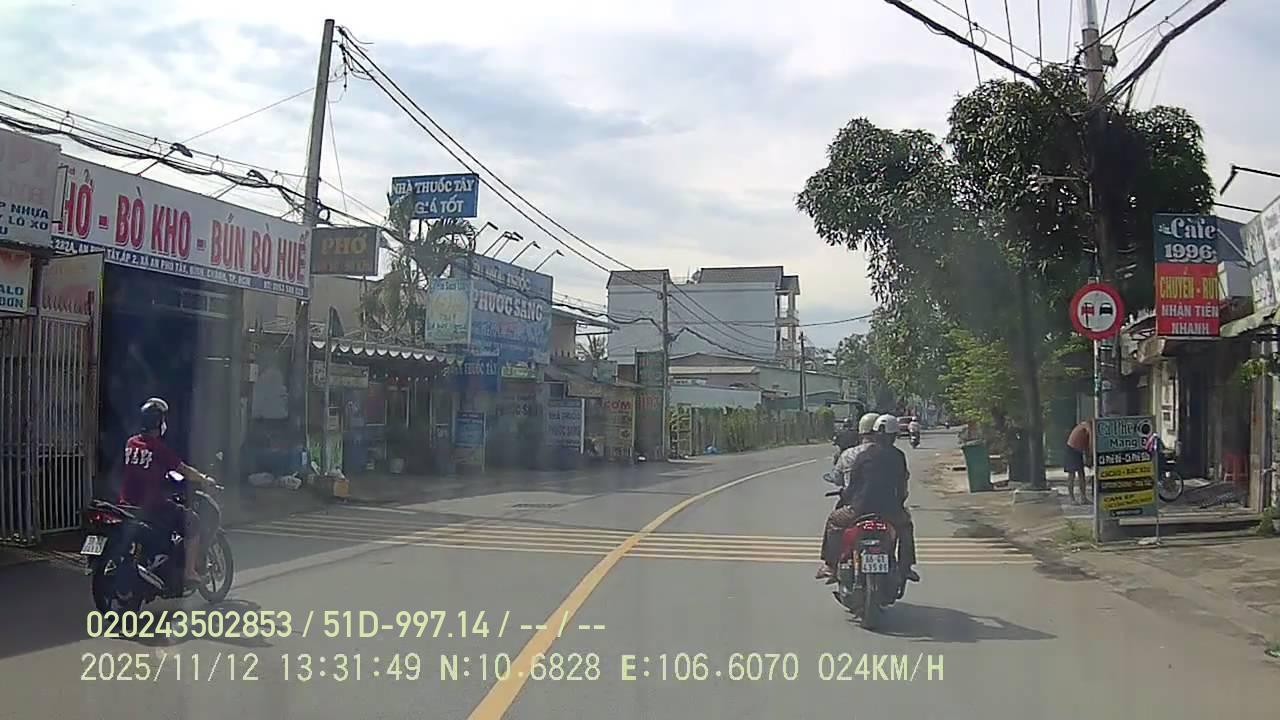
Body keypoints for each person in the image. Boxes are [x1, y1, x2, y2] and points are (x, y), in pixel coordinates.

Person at [120, 397, 218, 587]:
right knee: (193, 522)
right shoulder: (158, 448)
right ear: (159, 423)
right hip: (152, 506)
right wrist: (204, 479)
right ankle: (190, 572)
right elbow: (184, 470)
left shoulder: (130, 443)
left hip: (128, 504)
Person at [816, 414, 919, 585]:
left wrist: (847, 499)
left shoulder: (862, 455)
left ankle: (830, 566)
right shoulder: (898, 456)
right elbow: (901, 485)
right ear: (894, 436)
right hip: (890, 511)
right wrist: (899, 504)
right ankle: (906, 567)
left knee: (834, 521)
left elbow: (853, 485)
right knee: (906, 527)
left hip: (859, 509)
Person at [1065, 420, 1092, 505]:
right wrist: (1089, 456)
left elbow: (1087, 445)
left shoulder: (1084, 426)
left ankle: (1083, 498)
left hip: (1078, 450)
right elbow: (1090, 442)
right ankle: (1071, 498)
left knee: (1081, 474)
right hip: (1072, 449)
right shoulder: (1087, 426)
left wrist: (1088, 456)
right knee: (1072, 474)